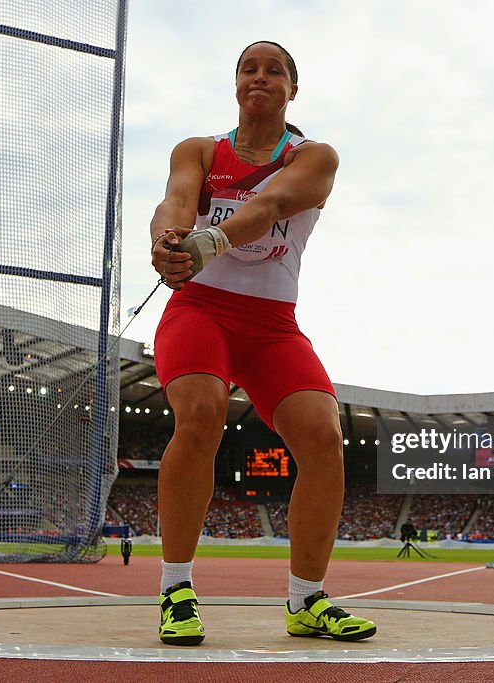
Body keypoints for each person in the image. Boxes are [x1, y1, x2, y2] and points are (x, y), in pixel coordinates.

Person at [148, 40, 376, 646]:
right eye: (249, 68)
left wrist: (208, 244)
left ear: (291, 90)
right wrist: (167, 239)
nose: (260, 77)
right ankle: (176, 589)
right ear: (236, 85)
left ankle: (307, 600)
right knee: (200, 415)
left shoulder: (315, 156)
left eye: (274, 70)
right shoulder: (200, 150)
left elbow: (272, 202)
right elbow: (175, 198)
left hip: (272, 325)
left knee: (325, 437)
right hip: (200, 311)